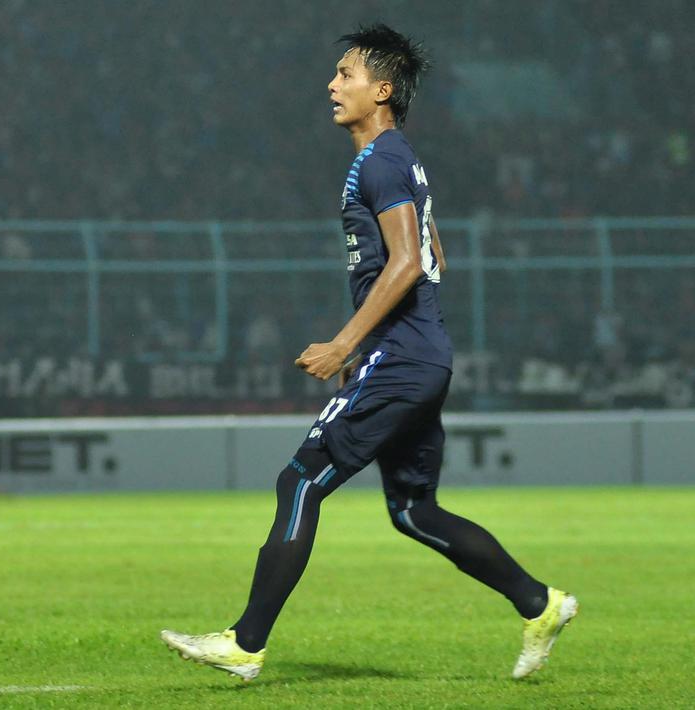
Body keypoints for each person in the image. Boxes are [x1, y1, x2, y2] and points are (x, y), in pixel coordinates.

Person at [160, 24, 576, 682]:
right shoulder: (395, 159)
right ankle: (539, 603)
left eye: (345, 75)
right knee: (413, 510)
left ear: (380, 90)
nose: (331, 85)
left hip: (403, 356)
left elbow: (410, 260)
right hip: (418, 353)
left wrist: (346, 342)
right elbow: (434, 252)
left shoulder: (381, 160)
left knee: (298, 481)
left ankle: (244, 643)